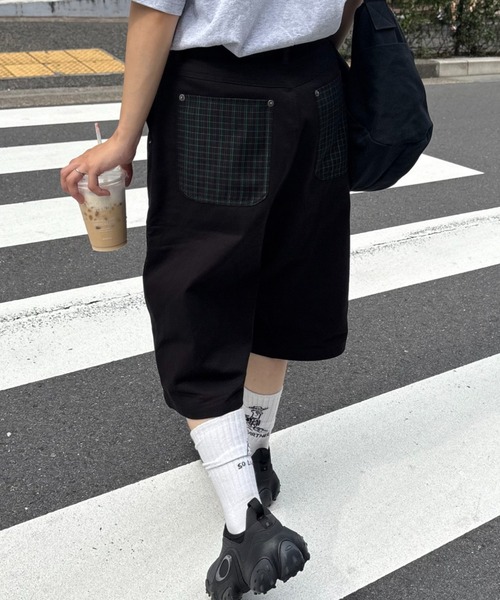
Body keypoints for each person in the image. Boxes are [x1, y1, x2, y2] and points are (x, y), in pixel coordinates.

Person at [61, 0, 363, 597]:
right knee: (284, 280)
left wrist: (124, 137)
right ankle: (256, 451)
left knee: (196, 297)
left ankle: (245, 523)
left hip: (216, 99)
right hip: (318, 93)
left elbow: (156, 12)